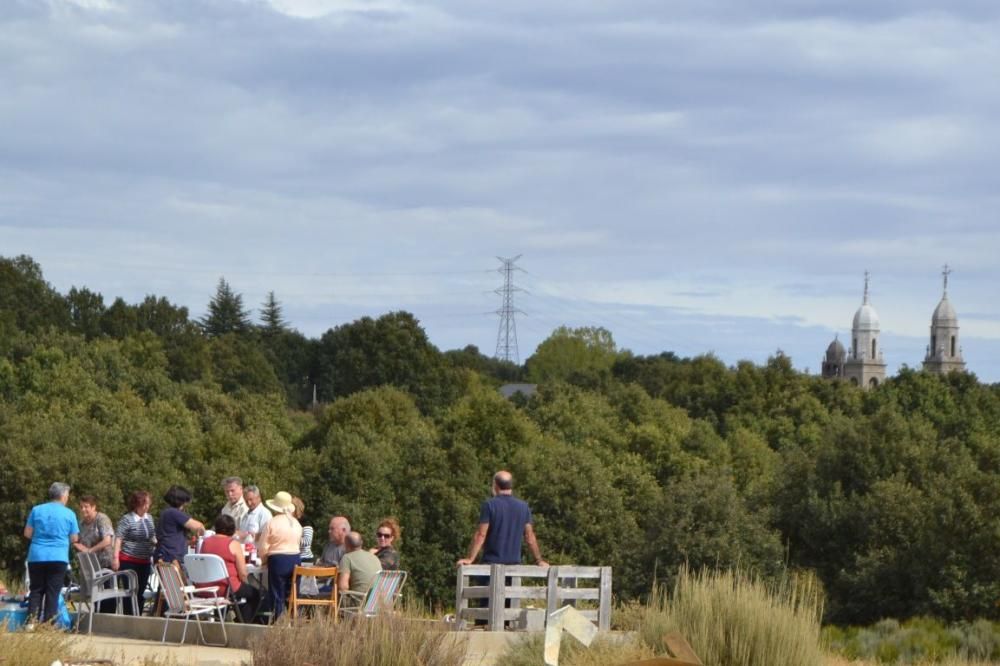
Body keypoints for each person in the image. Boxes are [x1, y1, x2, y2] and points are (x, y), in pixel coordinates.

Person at [458, 470, 547, 567]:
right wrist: (539, 560)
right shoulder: (523, 507)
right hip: (514, 567)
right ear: (511, 485)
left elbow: (481, 535)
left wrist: (470, 558)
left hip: (491, 565)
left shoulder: (489, 505)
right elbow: (529, 537)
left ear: (495, 485)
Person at [24, 482, 79, 625]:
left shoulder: (36, 510)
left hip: (36, 556)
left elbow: (27, 533)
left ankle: (31, 623)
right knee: (52, 592)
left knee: (36, 590)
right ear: (62, 496)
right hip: (58, 557)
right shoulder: (69, 514)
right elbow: (74, 538)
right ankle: (48, 625)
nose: (68, 498)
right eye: (67, 495)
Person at [199, 514, 261, 623]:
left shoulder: (205, 542)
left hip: (206, 588)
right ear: (232, 529)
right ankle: (241, 623)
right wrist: (245, 583)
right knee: (255, 594)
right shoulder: (233, 544)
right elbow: (242, 573)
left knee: (239, 596)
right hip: (226, 588)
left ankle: (228, 619)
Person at [257, 491, 302, 621]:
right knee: (292, 592)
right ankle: (293, 618)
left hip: (278, 559)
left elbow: (263, 546)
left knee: (277, 592)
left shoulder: (272, 523)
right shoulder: (296, 523)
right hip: (295, 558)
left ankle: (279, 620)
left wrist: (264, 560)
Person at [112, 490, 155, 615]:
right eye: (145, 503)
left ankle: (138, 616)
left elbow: (152, 536)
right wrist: (115, 558)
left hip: (145, 560)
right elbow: (118, 538)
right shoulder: (127, 519)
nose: (147, 506)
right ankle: (128, 617)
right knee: (129, 591)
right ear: (138, 504)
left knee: (140, 591)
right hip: (129, 560)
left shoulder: (149, 518)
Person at [154, 485, 205, 564]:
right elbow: (198, 526)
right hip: (171, 558)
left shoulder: (166, 512)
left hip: (164, 555)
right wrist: (202, 534)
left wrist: (188, 542)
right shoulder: (174, 513)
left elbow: (170, 537)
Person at [338, 531, 382, 604]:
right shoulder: (374, 557)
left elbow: (343, 587)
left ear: (346, 544)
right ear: (361, 543)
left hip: (359, 603)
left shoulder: (347, 558)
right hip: (377, 603)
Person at [75, 495, 115, 570]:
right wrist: (77, 545)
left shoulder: (102, 519)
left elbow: (107, 540)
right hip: (89, 565)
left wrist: (90, 550)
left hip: (105, 563)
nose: (83, 509)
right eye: (81, 507)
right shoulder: (81, 523)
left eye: (86, 507)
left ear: (93, 507)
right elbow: (77, 540)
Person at [291, 496, 313, 563]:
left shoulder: (306, 522)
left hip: (305, 559)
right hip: (293, 557)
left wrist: (290, 539)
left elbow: (307, 541)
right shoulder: (290, 521)